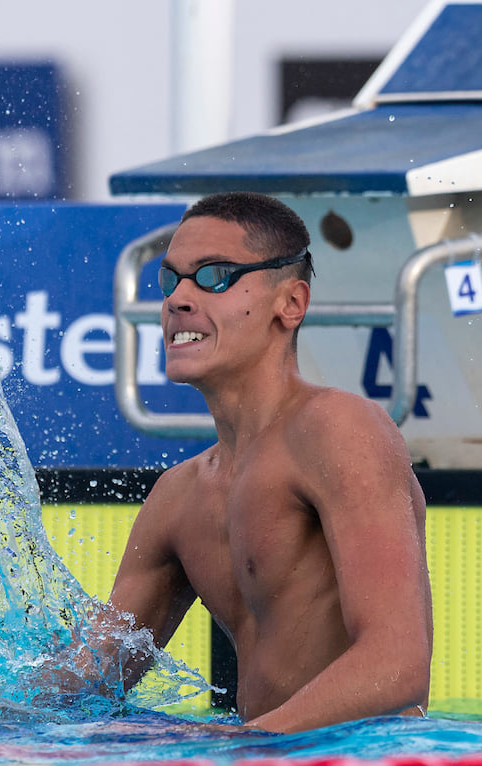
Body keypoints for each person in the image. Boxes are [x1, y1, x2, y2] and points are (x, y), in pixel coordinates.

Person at [73, 191, 433, 734]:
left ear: (291, 303)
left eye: (214, 276)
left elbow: (397, 666)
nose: (179, 299)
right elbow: (89, 681)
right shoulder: (178, 496)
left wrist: (241, 747)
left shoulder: (338, 430)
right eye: (170, 280)